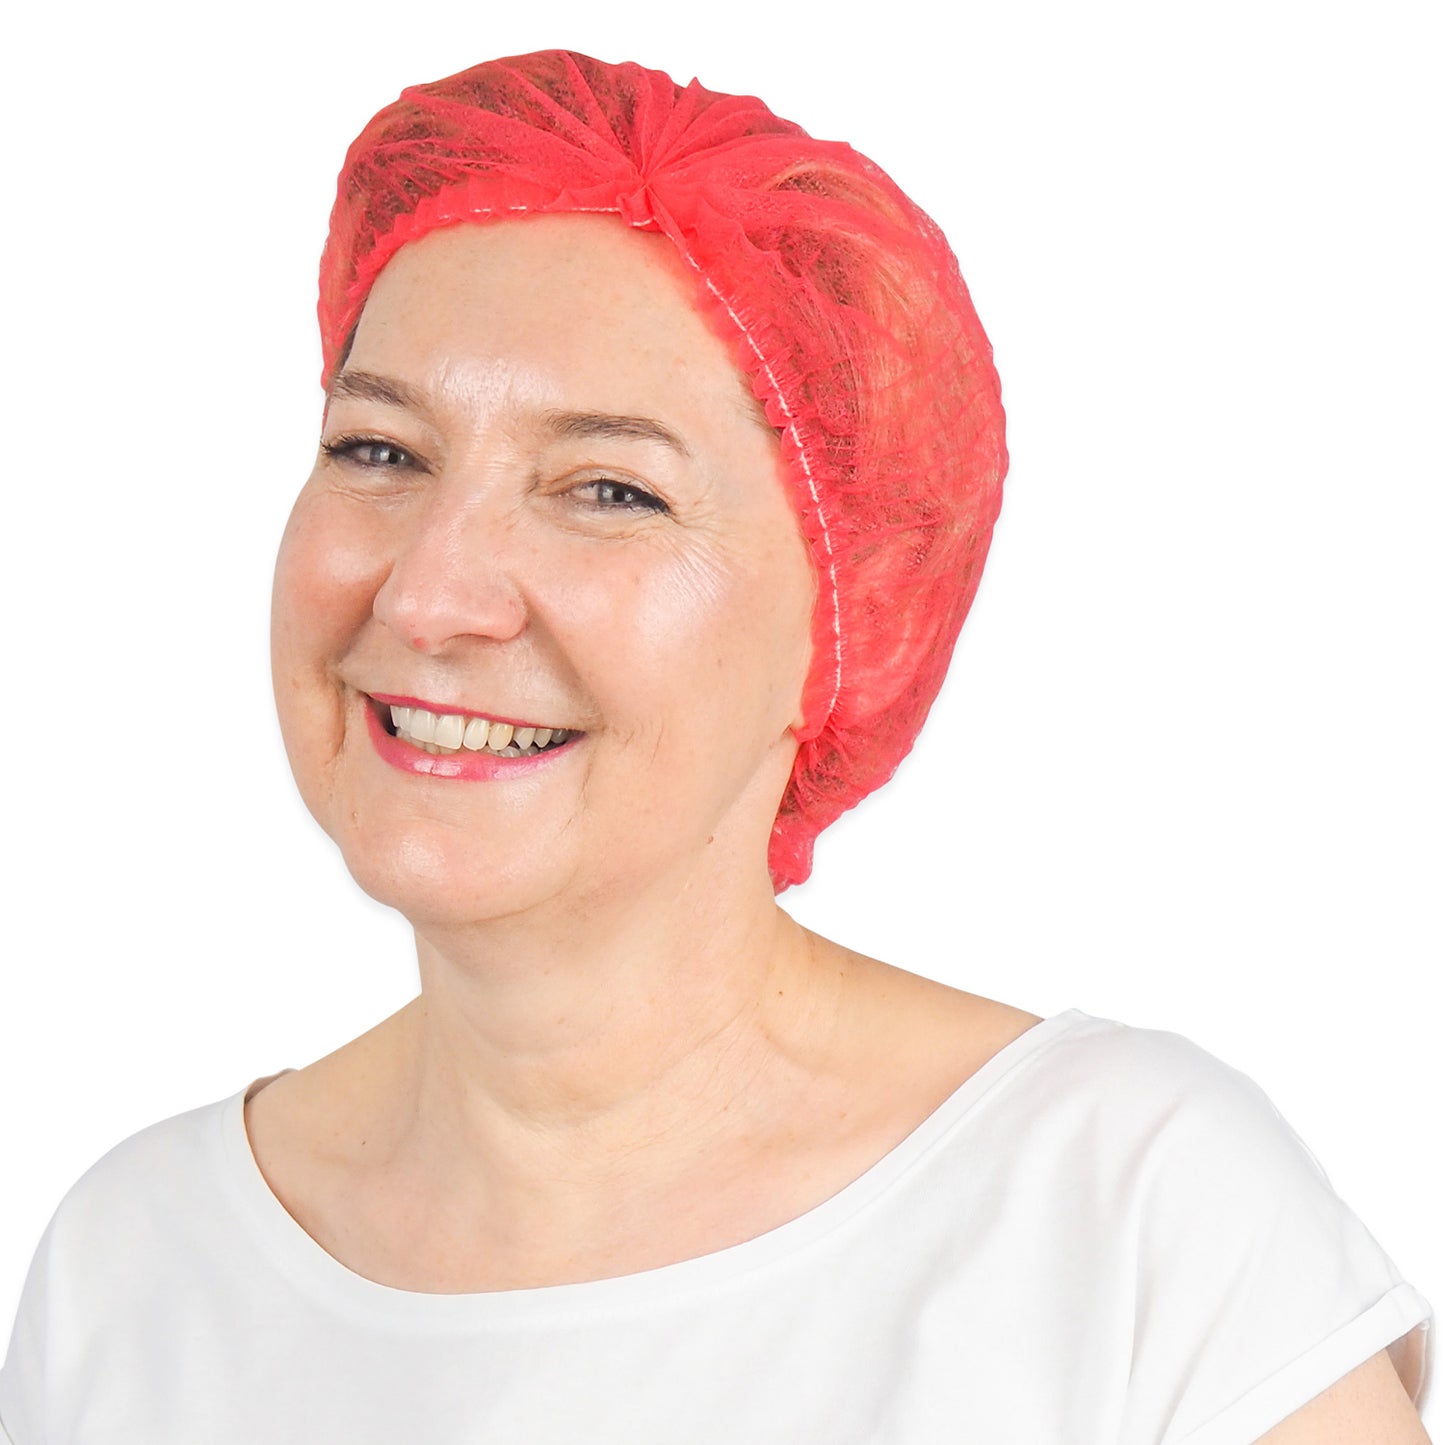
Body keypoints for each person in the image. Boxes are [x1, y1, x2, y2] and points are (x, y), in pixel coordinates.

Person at [0, 49, 1431, 1444]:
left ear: (850, 611)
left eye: (608, 489)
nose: (429, 594)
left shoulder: (1124, 1224)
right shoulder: (137, 1267)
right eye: (379, 450)